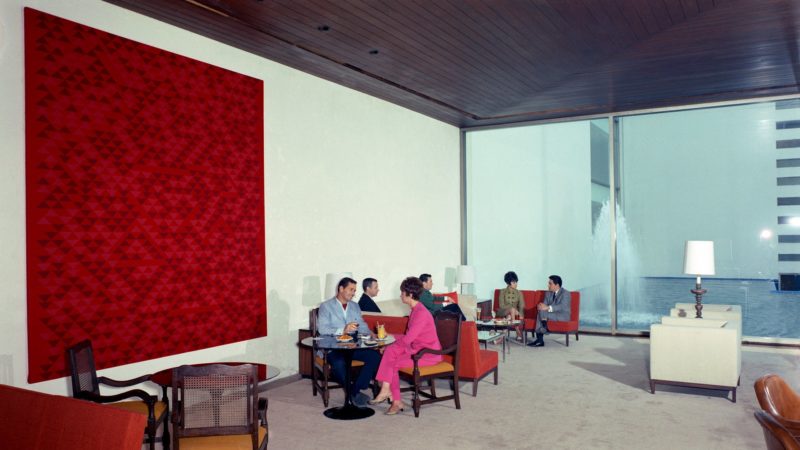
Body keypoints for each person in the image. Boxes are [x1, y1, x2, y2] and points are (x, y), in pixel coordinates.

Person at [369, 276, 441, 415]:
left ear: (410, 295)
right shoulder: (415, 310)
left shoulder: (421, 313)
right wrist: (389, 337)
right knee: (391, 357)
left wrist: (389, 345)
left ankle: (388, 393)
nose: (400, 295)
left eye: (402, 292)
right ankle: (393, 398)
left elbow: (408, 340)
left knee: (391, 356)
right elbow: (408, 336)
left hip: (428, 354)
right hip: (416, 349)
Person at [317, 277, 382, 405]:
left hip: (352, 346)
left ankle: (354, 390)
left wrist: (371, 334)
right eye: (351, 290)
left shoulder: (355, 306)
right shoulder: (326, 306)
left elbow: (361, 325)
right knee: (339, 363)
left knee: (374, 356)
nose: (353, 293)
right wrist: (343, 329)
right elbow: (322, 329)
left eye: (354, 290)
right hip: (333, 348)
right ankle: (354, 393)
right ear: (341, 289)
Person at [528, 275, 570, 347]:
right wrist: (541, 306)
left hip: (561, 315)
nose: (548, 285)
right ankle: (544, 328)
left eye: (550, 283)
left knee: (541, 313)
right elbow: (545, 305)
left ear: (557, 285)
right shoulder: (548, 293)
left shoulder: (565, 293)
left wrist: (547, 308)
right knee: (540, 311)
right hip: (550, 314)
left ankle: (540, 339)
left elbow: (562, 306)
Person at [497, 271, 525, 341]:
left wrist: (520, 314)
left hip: (515, 313)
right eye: (513, 282)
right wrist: (512, 308)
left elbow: (522, 306)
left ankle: (501, 338)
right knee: (512, 310)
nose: (516, 284)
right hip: (503, 312)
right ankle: (518, 332)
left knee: (509, 316)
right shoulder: (502, 291)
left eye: (516, 282)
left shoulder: (519, 293)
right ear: (508, 283)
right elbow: (501, 305)